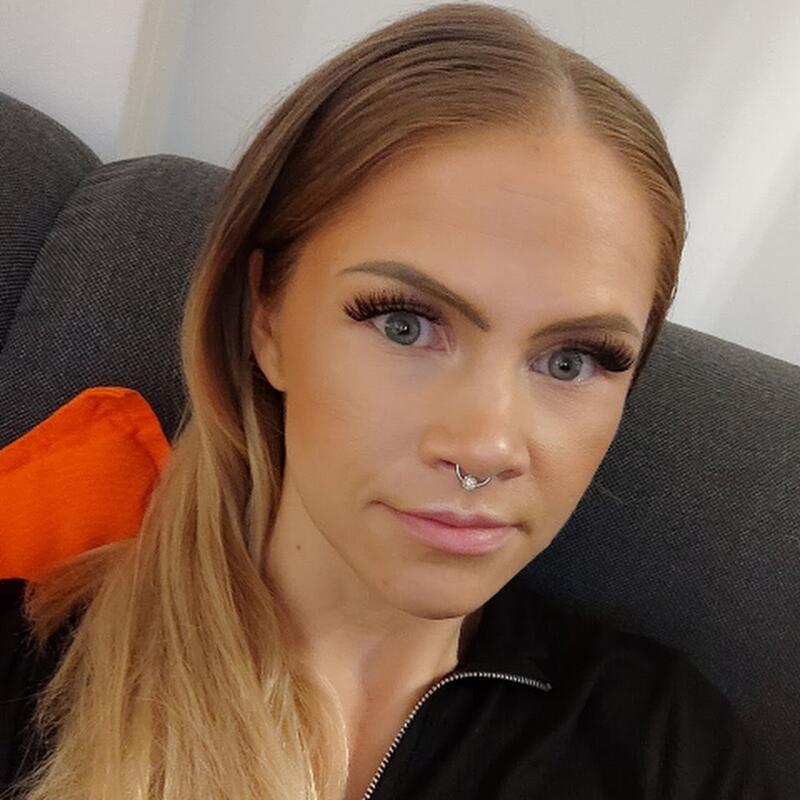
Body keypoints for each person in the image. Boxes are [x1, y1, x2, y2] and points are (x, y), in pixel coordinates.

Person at [0, 3, 779, 799]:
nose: (484, 447)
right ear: (265, 317)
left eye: (573, 360)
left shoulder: (667, 752)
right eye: (404, 326)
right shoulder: (28, 673)